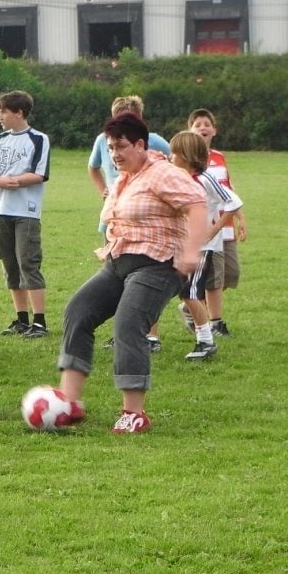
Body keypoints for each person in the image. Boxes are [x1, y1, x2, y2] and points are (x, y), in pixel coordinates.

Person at [56, 113, 207, 434]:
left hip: (158, 265)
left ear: (140, 144)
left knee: (128, 323)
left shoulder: (163, 173)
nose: (114, 154)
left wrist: (192, 252)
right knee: (78, 311)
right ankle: (68, 402)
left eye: (121, 146)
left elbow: (197, 205)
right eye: (110, 147)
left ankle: (134, 413)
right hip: (118, 263)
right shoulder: (125, 178)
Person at [88, 94, 171, 352]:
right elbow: (93, 167)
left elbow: (172, 167)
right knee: (118, 277)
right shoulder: (103, 140)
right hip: (116, 217)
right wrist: (103, 191)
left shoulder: (155, 141)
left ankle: (151, 335)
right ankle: (123, 332)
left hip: (144, 220)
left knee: (144, 278)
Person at [0, 90, 51, 339]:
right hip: (0, 210)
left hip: (26, 212)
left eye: (3, 111)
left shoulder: (38, 139)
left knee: (28, 262)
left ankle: (39, 322)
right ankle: (21, 318)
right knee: (10, 265)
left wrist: (10, 180)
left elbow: (39, 174)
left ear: (18, 113)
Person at [168, 131, 243, 361]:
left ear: (186, 155)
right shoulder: (177, 178)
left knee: (189, 292)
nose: (170, 157)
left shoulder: (205, 178)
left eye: (174, 153)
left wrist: (214, 229)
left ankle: (206, 341)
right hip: (181, 245)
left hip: (203, 247)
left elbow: (233, 202)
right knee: (183, 291)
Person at [189, 108, 247, 337]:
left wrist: (241, 217)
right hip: (208, 227)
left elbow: (228, 190)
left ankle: (192, 303)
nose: (203, 128)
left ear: (214, 130)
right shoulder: (189, 159)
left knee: (231, 274)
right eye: (198, 125)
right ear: (190, 130)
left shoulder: (219, 157)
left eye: (207, 124)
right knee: (213, 277)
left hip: (226, 223)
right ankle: (214, 321)